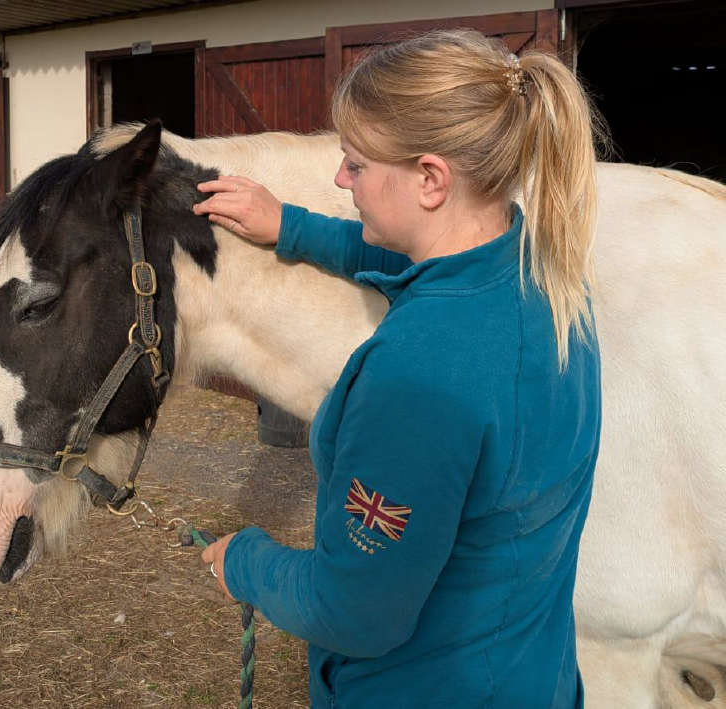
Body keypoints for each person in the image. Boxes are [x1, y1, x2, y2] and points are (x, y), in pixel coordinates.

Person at [193, 29, 604, 708]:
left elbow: (354, 612)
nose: (339, 179)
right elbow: (417, 260)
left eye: (355, 164)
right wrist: (289, 226)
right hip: (535, 680)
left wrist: (248, 562)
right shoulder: (545, 266)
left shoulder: (418, 378)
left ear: (431, 179)